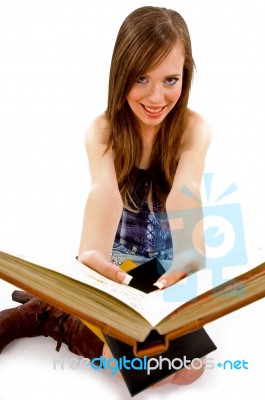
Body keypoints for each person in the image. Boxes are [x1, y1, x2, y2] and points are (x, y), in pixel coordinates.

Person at [0, 6, 211, 389]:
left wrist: (191, 252)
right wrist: (92, 255)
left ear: (186, 76)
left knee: (188, 370)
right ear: (121, 74)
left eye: (170, 79)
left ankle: (49, 300)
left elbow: (187, 192)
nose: (156, 96)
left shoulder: (193, 129)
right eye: (141, 77)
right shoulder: (102, 130)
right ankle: (46, 316)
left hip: (167, 273)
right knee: (124, 364)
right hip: (114, 267)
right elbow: (104, 194)